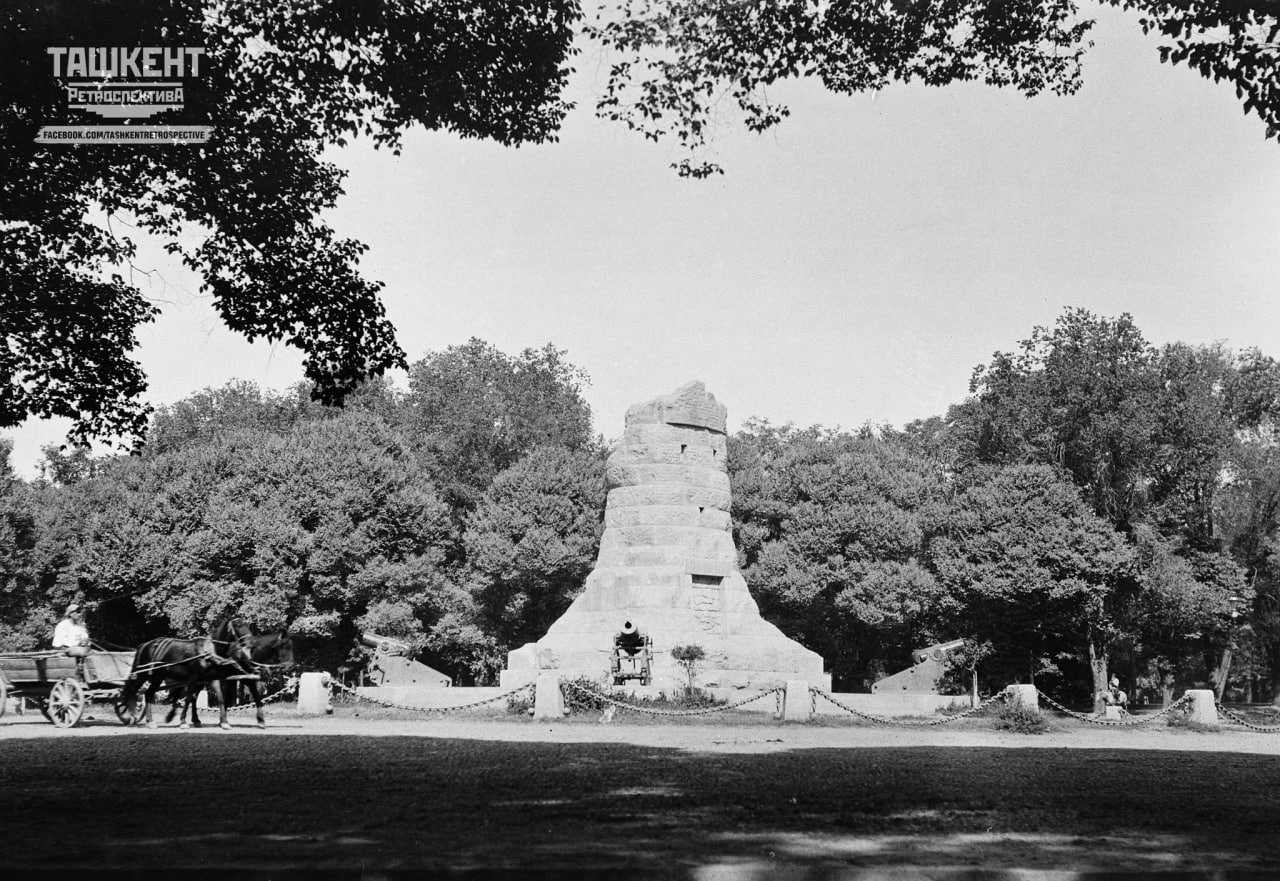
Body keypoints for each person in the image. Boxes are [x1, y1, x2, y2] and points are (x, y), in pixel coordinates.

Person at [52, 602, 91, 678]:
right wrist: (75, 646)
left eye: (79, 612)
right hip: (65, 649)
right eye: (77, 612)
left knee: (93, 652)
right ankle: (79, 672)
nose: (79, 614)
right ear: (70, 614)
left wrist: (85, 641)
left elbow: (85, 637)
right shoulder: (63, 625)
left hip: (78, 649)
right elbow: (60, 642)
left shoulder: (80, 626)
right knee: (83, 651)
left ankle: (88, 673)